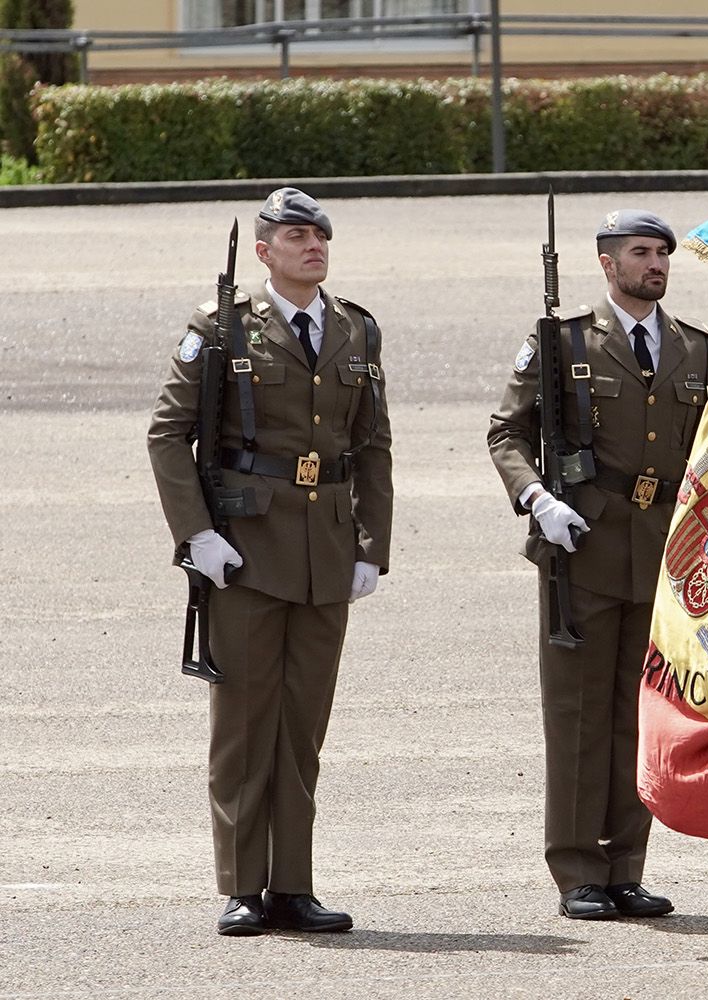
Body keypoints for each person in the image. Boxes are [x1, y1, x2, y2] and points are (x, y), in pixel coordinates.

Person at [147, 188, 394, 936]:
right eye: (294, 235)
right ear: (263, 251)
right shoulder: (221, 327)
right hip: (247, 550)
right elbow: (168, 434)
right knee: (246, 723)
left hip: (325, 549)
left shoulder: (355, 329)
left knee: (301, 725)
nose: (312, 244)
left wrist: (372, 547)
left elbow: (373, 444)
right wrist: (196, 535)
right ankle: (242, 885)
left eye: (319, 233)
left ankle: (293, 885)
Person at [487, 209, 708, 921]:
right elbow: (508, 432)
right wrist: (535, 498)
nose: (655, 264)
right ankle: (578, 869)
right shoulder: (562, 342)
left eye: (661, 254)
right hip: (581, 545)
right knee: (578, 713)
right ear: (606, 262)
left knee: (642, 712)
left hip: (663, 553)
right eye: (639, 252)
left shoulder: (698, 349)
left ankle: (626, 866)